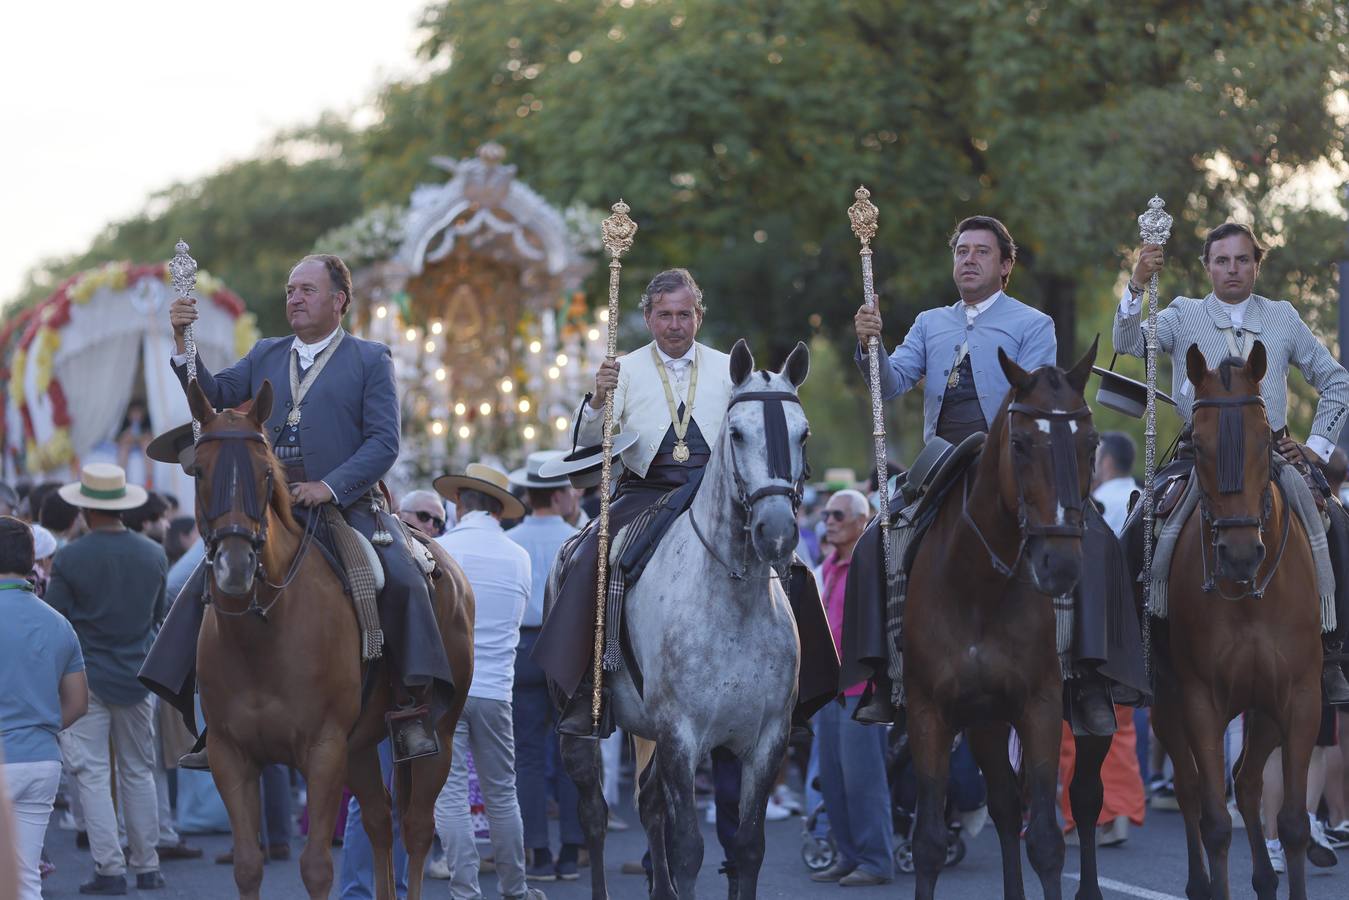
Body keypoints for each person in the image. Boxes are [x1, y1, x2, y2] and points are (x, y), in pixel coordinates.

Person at [140, 254, 454, 764]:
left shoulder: (370, 358)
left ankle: (410, 708)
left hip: (345, 503)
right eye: (290, 290)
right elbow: (215, 395)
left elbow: (384, 443)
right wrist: (183, 343)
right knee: (203, 580)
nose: (295, 299)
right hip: (271, 503)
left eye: (307, 290)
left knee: (401, 576)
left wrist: (330, 486)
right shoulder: (266, 352)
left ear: (339, 300)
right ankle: (209, 718)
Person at [848, 215, 1137, 731]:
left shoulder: (1033, 323)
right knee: (873, 540)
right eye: (961, 251)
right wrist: (871, 346)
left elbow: (1036, 400)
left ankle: (1091, 678)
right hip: (940, 461)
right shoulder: (929, 322)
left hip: (1011, 462)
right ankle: (881, 677)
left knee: (1098, 540)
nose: (969, 259)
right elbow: (890, 384)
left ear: (1005, 266)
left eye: (982, 252)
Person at [532, 267, 838, 737]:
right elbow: (588, 445)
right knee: (591, 553)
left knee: (789, 563)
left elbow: (757, 429)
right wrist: (597, 400)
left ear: (698, 316)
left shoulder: (730, 367)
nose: (674, 325)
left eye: (684, 314)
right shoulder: (623, 369)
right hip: (645, 490)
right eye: (664, 315)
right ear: (649, 319)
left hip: (716, 494)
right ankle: (587, 687)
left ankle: (795, 693)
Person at [1117, 222, 1349, 703]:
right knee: (1138, 526)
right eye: (1222, 260)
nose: (1232, 269)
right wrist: (1137, 284)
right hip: (1197, 458)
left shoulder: (1282, 317)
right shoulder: (1181, 313)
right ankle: (1135, 654)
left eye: (1243, 259)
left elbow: (1338, 380)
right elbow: (1128, 343)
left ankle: (1332, 653)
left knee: (1337, 524)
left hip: (1270, 457)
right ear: (1207, 267)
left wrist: (1316, 448)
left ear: (1257, 265)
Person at [45, 464, 168, 894]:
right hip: (138, 674)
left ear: (85, 509)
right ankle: (148, 865)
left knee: (93, 774)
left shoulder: (70, 557)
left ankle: (109, 868)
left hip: (86, 676)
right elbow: (157, 618)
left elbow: (57, 619)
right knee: (139, 770)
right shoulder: (153, 553)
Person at [432, 464, 542, 900]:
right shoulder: (519, 556)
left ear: (460, 503)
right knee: (502, 793)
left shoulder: (440, 549)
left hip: (447, 691)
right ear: (499, 509)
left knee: (451, 795)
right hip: (497, 690)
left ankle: (465, 891)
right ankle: (516, 888)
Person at [809, 490, 895, 887]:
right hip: (831, 690)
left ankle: (875, 861)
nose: (829, 520)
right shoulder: (827, 566)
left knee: (863, 779)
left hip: (863, 687)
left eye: (838, 515)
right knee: (833, 778)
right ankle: (848, 855)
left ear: (863, 521)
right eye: (827, 514)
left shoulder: (874, 566)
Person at [0, 517, 88, 900]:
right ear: (31, 559)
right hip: (42, 760)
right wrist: (42, 726)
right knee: (26, 879)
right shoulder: (59, 623)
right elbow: (79, 702)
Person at [506, 452, 583, 882]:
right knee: (572, 749)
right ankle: (571, 849)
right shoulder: (579, 538)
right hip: (567, 645)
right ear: (556, 495)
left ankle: (537, 850)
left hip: (523, 645)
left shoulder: (511, 538)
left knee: (528, 755)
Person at [1092, 432, 1138, 535]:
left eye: (1096, 455)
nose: (1093, 461)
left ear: (1107, 461)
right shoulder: (1142, 497)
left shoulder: (1099, 501)